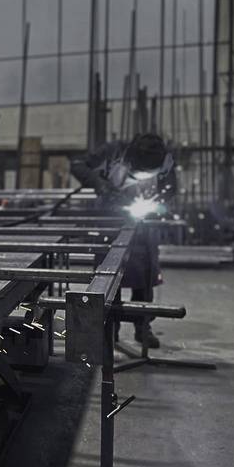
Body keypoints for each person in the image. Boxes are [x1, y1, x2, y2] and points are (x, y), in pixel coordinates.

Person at [71, 133, 176, 349]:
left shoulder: (165, 160)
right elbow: (77, 165)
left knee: (145, 275)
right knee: (110, 275)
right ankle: (110, 329)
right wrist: (99, 183)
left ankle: (142, 326)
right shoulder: (113, 152)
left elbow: (169, 189)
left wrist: (159, 206)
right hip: (109, 219)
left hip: (143, 225)